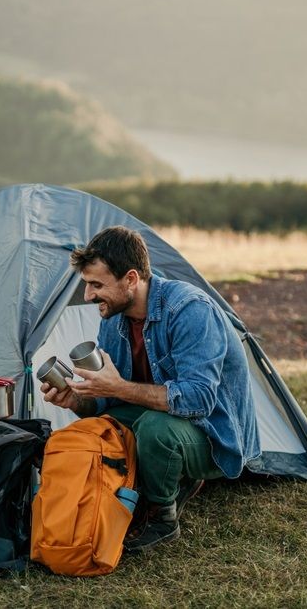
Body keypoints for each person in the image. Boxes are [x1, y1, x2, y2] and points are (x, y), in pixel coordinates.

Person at [40, 226, 261, 552]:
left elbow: (199, 399)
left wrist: (118, 388)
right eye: (87, 284)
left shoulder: (189, 310)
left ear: (131, 279)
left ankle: (162, 517)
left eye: (96, 285)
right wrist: (77, 400)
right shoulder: (114, 318)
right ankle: (147, 485)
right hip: (160, 417)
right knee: (97, 427)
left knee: (156, 430)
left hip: (214, 434)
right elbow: (108, 401)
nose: (88, 296)